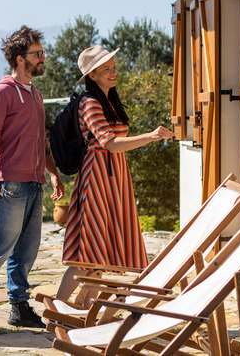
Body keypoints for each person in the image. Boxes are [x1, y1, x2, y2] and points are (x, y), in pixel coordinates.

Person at [0, 25, 65, 331]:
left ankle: (18, 306)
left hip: (34, 184)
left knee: (26, 249)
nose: (42, 58)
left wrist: (53, 174)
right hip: (9, 185)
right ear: (20, 59)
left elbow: (41, 141)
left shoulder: (35, 94)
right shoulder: (2, 91)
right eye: (37, 53)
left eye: (42, 52)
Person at [56, 45, 175, 300]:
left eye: (113, 67)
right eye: (106, 69)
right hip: (98, 177)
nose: (113, 72)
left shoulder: (108, 101)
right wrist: (151, 136)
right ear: (92, 75)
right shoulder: (89, 102)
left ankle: (83, 308)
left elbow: (115, 143)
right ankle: (56, 309)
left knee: (99, 250)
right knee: (87, 251)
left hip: (114, 176)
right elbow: (109, 143)